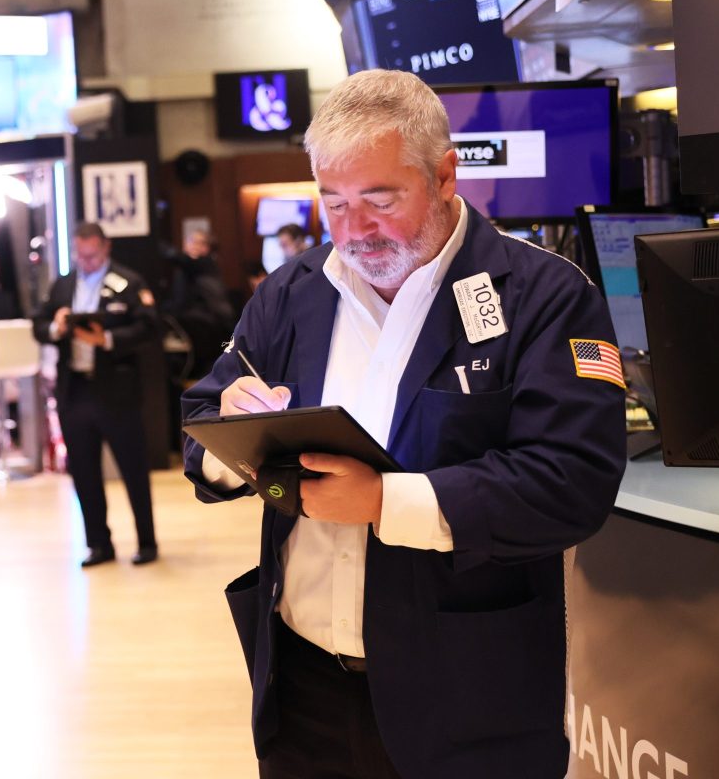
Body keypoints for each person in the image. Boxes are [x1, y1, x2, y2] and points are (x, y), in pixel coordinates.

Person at [183, 70, 627, 779]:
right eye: (333, 203)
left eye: (379, 200)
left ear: (446, 175)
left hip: (469, 695)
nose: (355, 230)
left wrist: (385, 502)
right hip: (301, 684)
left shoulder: (546, 296)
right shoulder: (296, 291)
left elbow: (573, 481)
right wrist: (234, 436)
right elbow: (203, 413)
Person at [33, 223, 159, 567]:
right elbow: (38, 324)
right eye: (80, 254)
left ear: (106, 247)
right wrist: (57, 327)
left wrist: (107, 341)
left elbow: (148, 327)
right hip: (75, 390)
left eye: (92, 254)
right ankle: (98, 544)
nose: (85, 261)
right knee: (85, 473)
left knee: (133, 470)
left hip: (116, 390)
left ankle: (147, 542)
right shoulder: (63, 284)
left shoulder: (128, 282)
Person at [166, 230, 236, 379]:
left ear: (207, 248)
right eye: (191, 241)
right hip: (196, 323)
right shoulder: (187, 267)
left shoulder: (204, 263)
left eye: (199, 242)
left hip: (210, 324)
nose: (193, 246)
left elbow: (177, 257)